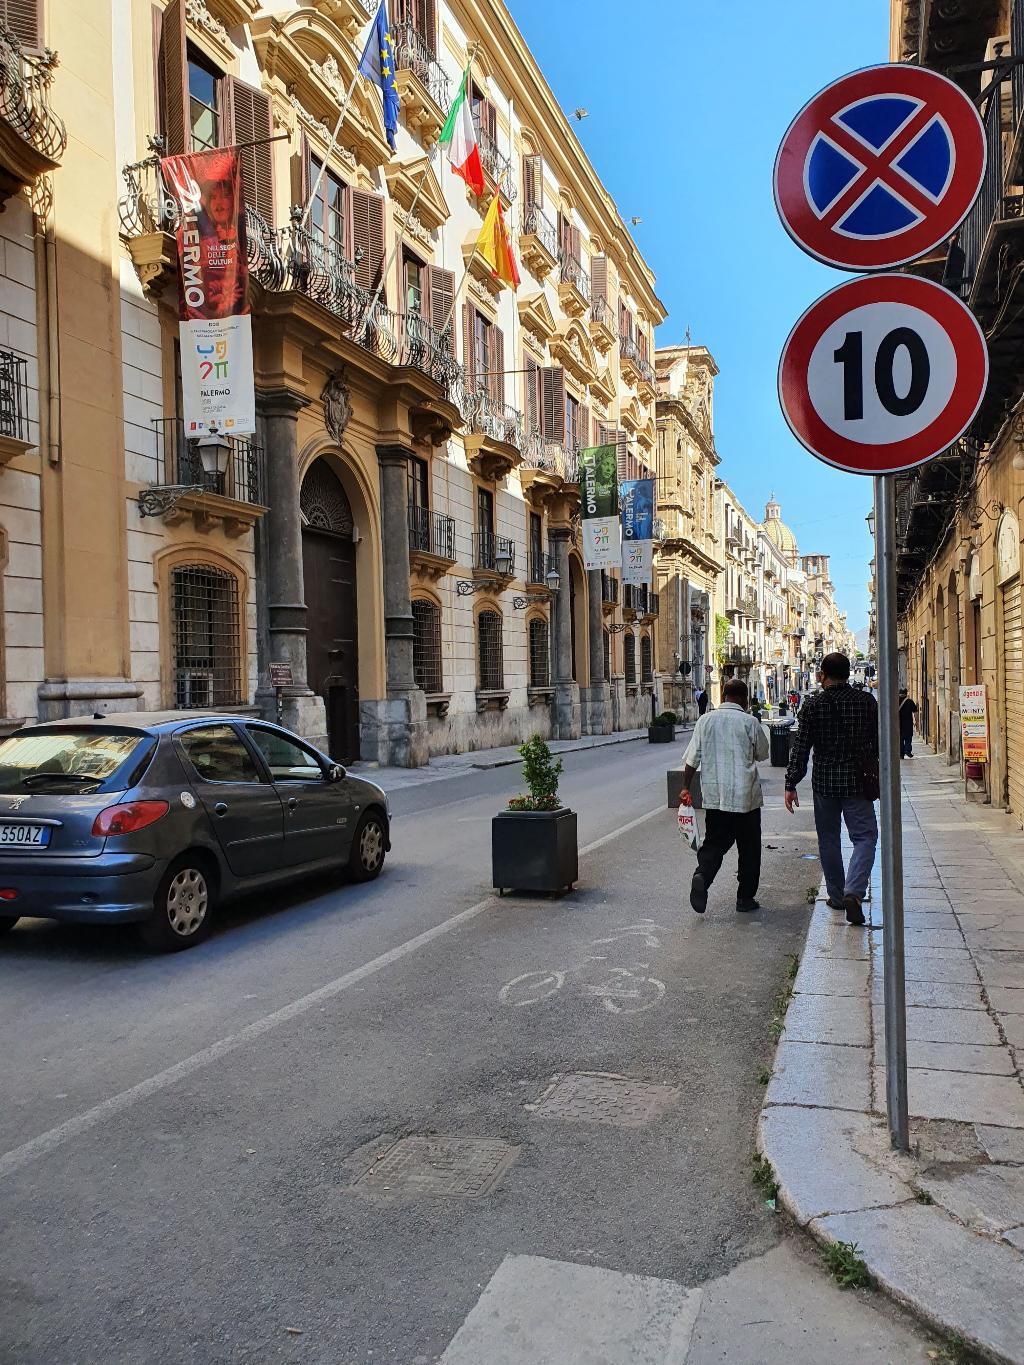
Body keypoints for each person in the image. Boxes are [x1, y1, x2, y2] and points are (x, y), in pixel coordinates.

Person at [783, 652, 879, 927]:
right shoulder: (865, 702)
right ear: (849, 674)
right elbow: (877, 743)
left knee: (829, 839)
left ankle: (837, 896)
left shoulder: (813, 705)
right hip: (857, 783)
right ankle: (854, 890)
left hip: (824, 783)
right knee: (865, 837)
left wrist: (791, 783)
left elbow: (801, 748)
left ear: (822, 674)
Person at [679, 677, 770, 914]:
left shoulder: (705, 721)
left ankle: (702, 875)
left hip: (715, 796)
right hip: (745, 798)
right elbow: (762, 754)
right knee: (749, 849)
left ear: (724, 697)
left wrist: (685, 787)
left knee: (714, 843)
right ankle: (744, 899)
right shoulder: (750, 722)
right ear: (743, 698)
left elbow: (692, 759)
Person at [899, 688, 919, 759]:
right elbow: (915, 713)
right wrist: (916, 722)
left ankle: (901, 754)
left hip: (898, 724)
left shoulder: (895, 700)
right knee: (908, 738)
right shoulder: (910, 701)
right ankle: (908, 751)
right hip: (908, 723)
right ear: (906, 693)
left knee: (900, 739)